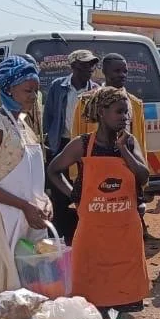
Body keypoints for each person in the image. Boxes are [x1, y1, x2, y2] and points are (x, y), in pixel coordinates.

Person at [47, 87, 151, 310]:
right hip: (92, 230)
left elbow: (142, 177)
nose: (124, 117)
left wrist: (123, 150)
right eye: (119, 112)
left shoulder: (129, 142)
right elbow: (53, 170)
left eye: (126, 113)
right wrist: (76, 196)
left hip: (125, 230)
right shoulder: (82, 144)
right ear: (102, 113)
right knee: (90, 295)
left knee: (124, 294)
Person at [0, 56, 52, 304]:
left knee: (26, 291)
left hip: (25, 217)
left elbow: (32, 172)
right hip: (0, 217)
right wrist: (23, 205)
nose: (33, 97)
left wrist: (42, 201)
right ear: (8, 89)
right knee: (4, 296)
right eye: (27, 90)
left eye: (36, 91)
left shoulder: (24, 124)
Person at [72, 53, 148, 211]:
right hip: (94, 176)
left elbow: (140, 144)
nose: (122, 75)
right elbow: (76, 138)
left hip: (126, 172)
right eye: (117, 71)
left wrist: (141, 184)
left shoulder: (135, 104)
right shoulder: (87, 102)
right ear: (105, 72)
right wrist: (76, 184)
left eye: (125, 71)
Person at [42, 50, 100, 241]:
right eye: (84, 65)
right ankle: (60, 240)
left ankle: (80, 238)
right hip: (62, 144)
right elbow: (49, 115)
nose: (89, 69)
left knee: (83, 192)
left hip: (85, 147)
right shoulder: (58, 86)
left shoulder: (96, 90)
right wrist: (49, 142)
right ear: (73, 66)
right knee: (60, 195)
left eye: (92, 65)